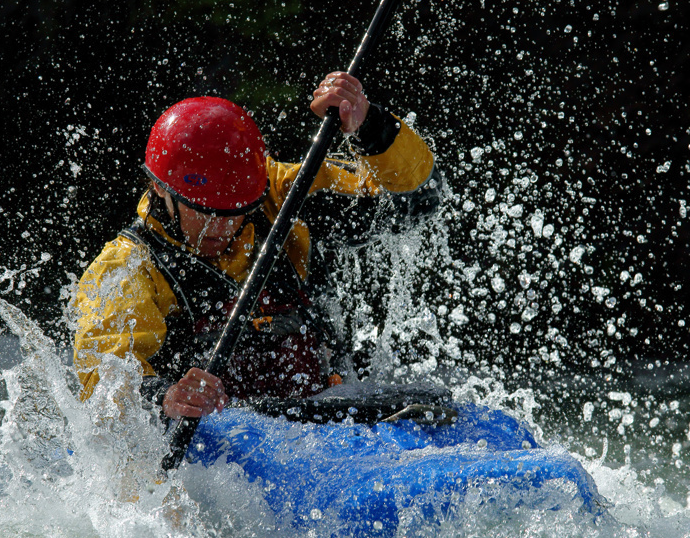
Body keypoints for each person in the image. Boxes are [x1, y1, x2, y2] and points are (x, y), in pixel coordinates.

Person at [72, 71, 437, 422]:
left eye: (236, 212)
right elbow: (104, 377)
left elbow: (417, 201)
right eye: (205, 211)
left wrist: (369, 127)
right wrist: (164, 395)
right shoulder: (128, 266)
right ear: (159, 189)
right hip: (219, 449)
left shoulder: (279, 194)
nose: (223, 227)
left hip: (327, 421)